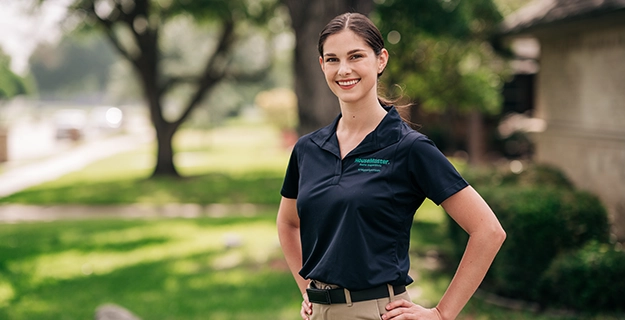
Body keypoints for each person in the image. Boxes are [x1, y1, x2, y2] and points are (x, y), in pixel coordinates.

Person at [276, 12, 506, 320]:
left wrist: (441, 313)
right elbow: (288, 223)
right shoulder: (308, 149)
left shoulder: (410, 148)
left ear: (380, 59)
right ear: (322, 66)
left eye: (355, 56)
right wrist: (307, 288)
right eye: (332, 59)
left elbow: (488, 231)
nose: (343, 69)